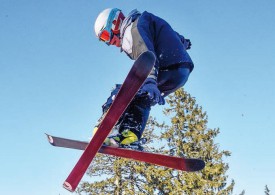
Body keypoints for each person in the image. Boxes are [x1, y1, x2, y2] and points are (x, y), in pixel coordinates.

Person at [93, 8, 194, 147]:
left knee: (124, 91)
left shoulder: (134, 28)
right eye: (104, 40)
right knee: (142, 99)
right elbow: (169, 34)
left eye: (105, 35)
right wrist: (182, 42)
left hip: (164, 67)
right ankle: (130, 135)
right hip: (180, 72)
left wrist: (150, 79)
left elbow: (145, 52)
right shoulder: (147, 23)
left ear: (115, 23)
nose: (109, 42)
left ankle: (104, 127)